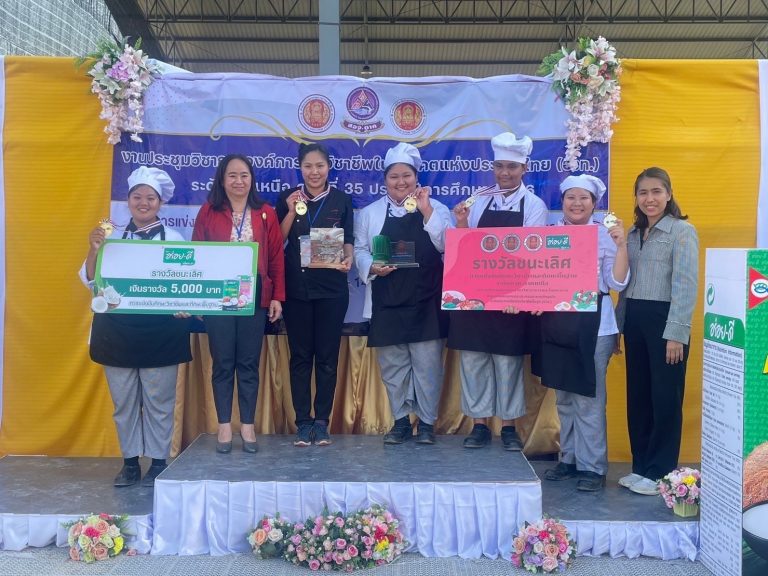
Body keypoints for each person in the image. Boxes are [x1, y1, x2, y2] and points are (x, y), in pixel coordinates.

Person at [80, 166, 192, 487]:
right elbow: (91, 280)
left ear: (160, 203)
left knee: (160, 402)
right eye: (137, 197)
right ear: (128, 201)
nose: (143, 203)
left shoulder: (174, 239)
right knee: (124, 403)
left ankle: (158, 463)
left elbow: (186, 282)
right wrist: (93, 249)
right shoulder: (111, 237)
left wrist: (186, 305)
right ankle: (130, 463)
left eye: (150, 198)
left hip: (162, 332)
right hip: (117, 331)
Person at [449, 132, 547, 451]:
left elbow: (531, 255)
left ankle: (508, 426)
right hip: (476, 296)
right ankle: (479, 424)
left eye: (512, 167)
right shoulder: (479, 199)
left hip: (511, 298)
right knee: (474, 360)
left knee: (507, 363)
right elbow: (467, 249)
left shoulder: (534, 206)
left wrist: (515, 297)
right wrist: (461, 223)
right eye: (499, 166)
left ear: (524, 169)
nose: (505, 173)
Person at [354, 142, 452, 445]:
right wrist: (372, 266)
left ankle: (426, 423)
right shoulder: (369, 213)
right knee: (393, 367)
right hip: (387, 302)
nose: (401, 182)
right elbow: (360, 249)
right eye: (394, 176)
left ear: (416, 177)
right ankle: (400, 421)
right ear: (385, 179)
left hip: (426, 301)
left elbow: (446, 246)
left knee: (427, 367)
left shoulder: (437, 208)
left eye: (406, 176)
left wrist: (426, 211)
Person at [539, 174, 629, 492]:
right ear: (562, 201)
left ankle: (593, 467)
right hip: (556, 322)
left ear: (594, 204)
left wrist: (621, 246)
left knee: (589, 398)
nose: (576, 204)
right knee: (564, 397)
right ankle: (569, 459)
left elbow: (617, 282)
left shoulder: (605, 235)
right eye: (571, 197)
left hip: (595, 324)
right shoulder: (549, 234)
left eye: (584, 198)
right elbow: (538, 278)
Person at [192, 154, 285, 454]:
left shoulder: (265, 213)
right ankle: (223, 426)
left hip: (254, 297)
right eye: (232, 175)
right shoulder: (208, 211)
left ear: (251, 179)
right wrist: (199, 297)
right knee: (223, 363)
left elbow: (276, 258)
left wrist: (276, 296)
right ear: (222, 180)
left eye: (244, 175)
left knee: (248, 363)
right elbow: (197, 255)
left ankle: (247, 425)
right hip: (218, 296)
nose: (238, 181)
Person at [615, 167, 698, 495]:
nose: (650, 199)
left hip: (665, 322)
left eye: (656, 191)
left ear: (669, 194)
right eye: (643, 192)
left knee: (665, 398)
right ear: (636, 197)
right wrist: (619, 327)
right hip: (635, 320)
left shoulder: (681, 231)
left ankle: (661, 471)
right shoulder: (633, 234)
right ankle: (641, 467)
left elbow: (685, 284)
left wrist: (676, 332)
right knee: (639, 396)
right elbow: (625, 285)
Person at [277, 143, 354, 447]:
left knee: (326, 357)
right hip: (296, 290)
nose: (314, 172)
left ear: (328, 167)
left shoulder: (341, 200)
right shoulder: (288, 198)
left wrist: (348, 259)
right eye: (308, 166)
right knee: (300, 357)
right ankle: (302, 421)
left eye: (320, 166)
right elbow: (277, 240)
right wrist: (288, 209)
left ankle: (321, 421)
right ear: (300, 168)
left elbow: (348, 239)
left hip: (332, 290)